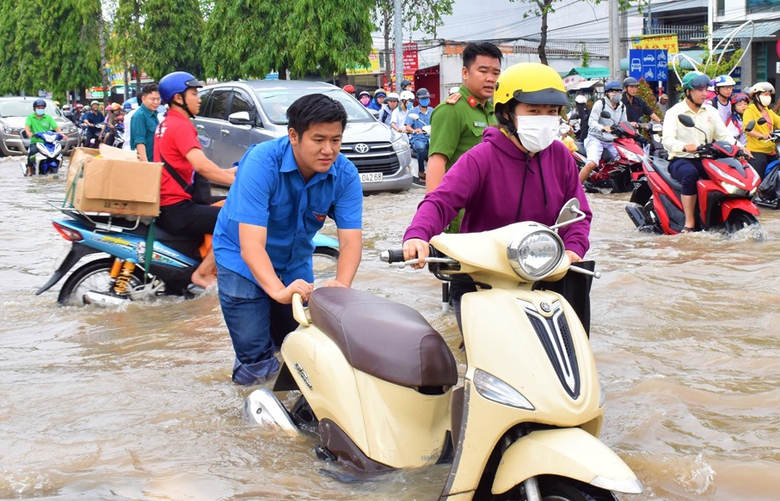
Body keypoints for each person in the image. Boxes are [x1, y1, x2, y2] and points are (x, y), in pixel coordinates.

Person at [402, 62, 591, 329]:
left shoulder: (560, 155)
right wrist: (417, 235)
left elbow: (578, 213)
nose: (544, 119)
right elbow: (440, 202)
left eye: (552, 112)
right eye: (534, 111)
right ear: (506, 113)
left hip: (540, 271)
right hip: (482, 277)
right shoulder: (480, 158)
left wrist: (573, 249)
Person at [212, 93, 363, 385]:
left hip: (295, 262)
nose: (328, 150)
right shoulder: (261, 163)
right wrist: (278, 291)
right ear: (294, 136)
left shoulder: (345, 175)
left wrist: (342, 284)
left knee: (298, 350)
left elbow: (351, 241)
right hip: (240, 260)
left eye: (335, 140)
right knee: (255, 361)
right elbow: (251, 245)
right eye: (318, 140)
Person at [154, 71, 237, 288]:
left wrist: (229, 173)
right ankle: (203, 272)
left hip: (169, 204)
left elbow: (188, 166)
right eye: (193, 93)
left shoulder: (166, 124)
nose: (198, 99)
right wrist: (238, 183)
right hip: (178, 208)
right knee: (237, 221)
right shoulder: (181, 126)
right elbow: (201, 166)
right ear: (178, 98)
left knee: (227, 203)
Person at [662, 72, 747, 233]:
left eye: (706, 89)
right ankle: (689, 222)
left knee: (730, 172)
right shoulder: (674, 112)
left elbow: (724, 135)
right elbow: (667, 140)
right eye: (699, 89)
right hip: (681, 159)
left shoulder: (710, 111)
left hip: (707, 159)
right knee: (690, 174)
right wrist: (685, 146)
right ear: (688, 91)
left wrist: (740, 147)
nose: (704, 93)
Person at [426, 41, 503, 192]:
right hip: (461, 201)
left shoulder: (493, 111)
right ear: (465, 73)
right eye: (483, 71)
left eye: (495, 73)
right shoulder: (451, 110)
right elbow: (437, 160)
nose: (490, 78)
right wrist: (435, 205)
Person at [579, 81, 627, 183]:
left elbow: (623, 124)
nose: (617, 94)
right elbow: (591, 122)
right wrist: (602, 127)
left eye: (619, 92)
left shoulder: (622, 107)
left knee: (625, 161)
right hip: (595, 138)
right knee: (592, 163)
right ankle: (575, 187)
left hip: (612, 141)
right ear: (607, 93)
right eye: (614, 91)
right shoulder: (600, 103)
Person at [743, 82, 780, 179]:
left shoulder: (768, 111)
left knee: (776, 178)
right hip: (757, 151)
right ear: (756, 96)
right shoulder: (749, 110)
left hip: (770, 150)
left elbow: (778, 121)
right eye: (765, 94)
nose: (768, 97)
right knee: (758, 179)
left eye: (769, 95)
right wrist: (762, 135)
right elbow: (748, 129)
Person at [24, 99, 65, 176]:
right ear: (34, 108)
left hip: (47, 142)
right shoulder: (30, 117)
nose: (40, 109)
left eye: (42, 108)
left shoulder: (48, 118)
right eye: (38, 107)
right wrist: (28, 133)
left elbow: (56, 127)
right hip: (35, 142)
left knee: (57, 153)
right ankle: (29, 169)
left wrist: (62, 134)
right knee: (32, 152)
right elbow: (27, 126)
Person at [405, 88, 433, 182]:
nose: (425, 100)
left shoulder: (433, 111)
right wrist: (414, 130)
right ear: (417, 99)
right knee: (421, 148)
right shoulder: (413, 112)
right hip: (418, 138)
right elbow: (407, 127)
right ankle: (421, 171)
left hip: (431, 137)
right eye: (423, 98)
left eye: (427, 98)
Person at [131, 83, 162, 162]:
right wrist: (146, 165)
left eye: (158, 99)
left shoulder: (154, 114)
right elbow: (139, 142)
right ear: (143, 99)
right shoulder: (140, 116)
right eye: (152, 99)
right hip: (148, 163)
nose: (156, 102)